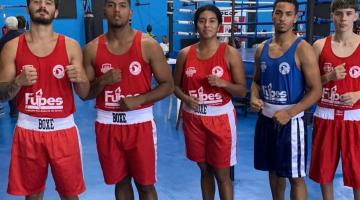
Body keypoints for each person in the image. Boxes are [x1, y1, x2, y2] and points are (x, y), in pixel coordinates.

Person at [83, 0, 174, 199]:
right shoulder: (91, 48)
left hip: (139, 124)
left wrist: (139, 99)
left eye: (122, 5)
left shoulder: (148, 45)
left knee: (145, 185)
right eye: (111, 5)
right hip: (107, 124)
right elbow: (85, 93)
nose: (117, 10)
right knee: (121, 182)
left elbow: (169, 84)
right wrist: (103, 81)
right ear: (104, 11)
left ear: (130, 12)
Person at [0, 0, 90, 199]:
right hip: (28, 130)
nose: (42, 5)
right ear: (27, 8)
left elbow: (84, 93)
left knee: (70, 194)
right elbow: (2, 94)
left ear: (56, 11)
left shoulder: (71, 45)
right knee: (32, 195)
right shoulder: (12, 47)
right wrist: (18, 81)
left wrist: (81, 78)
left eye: (48, 2)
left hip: (63, 130)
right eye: (37, 2)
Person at [250, 0, 322, 199]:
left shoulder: (303, 48)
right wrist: (254, 97)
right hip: (266, 120)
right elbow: (256, 82)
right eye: (279, 13)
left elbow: (316, 90)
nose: (282, 18)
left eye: (288, 14)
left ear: (295, 18)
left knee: (295, 177)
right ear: (272, 15)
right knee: (273, 171)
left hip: (292, 123)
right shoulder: (261, 49)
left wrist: (290, 113)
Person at [174, 5, 246, 200]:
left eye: (212, 21)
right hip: (194, 119)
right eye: (202, 20)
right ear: (196, 25)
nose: (207, 25)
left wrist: (223, 83)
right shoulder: (184, 54)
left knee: (222, 173)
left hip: (220, 119)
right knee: (204, 169)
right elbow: (175, 86)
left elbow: (241, 90)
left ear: (219, 26)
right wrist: (186, 98)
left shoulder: (229, 53)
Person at [309, 1, 360, 200]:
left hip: (355, 117)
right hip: (326, 115)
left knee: (358, 171)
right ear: (332, 16)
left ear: (355, 16)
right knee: (324, 170)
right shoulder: (320, 46)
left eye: (348, 13)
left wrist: (358, 95)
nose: (344, 18)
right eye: (339, 14)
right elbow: (310, 84)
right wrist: (328, 78)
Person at [0, 16, 24, 118]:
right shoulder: (24, 36)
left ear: (6, 27)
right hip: (22, 66)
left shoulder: (3, 40)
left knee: (11, 87)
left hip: (8, 68)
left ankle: (14, 111)